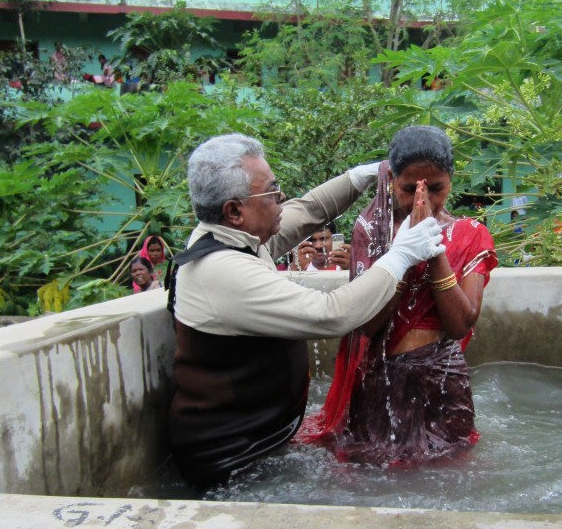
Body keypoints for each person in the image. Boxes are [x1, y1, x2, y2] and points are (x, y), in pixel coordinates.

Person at [168, 133, 446, 487]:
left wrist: (359, 176)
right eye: (272, 191)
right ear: (234, 211)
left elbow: (308, 211)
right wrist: (401, 255)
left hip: (261, 438)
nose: (281, 198)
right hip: (231, 457)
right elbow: (331, 314)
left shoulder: (233, 238)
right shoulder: (221, 270)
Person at [296, 125, 498, 466]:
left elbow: (460, 324)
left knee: (449, 471)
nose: (424, 201)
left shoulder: (470, 234)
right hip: (380, 379)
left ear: (451, 181)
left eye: (436, 189)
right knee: (368, 472)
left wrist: (433, 251)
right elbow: (369, 325)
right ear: (391, 182)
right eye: (409, 189)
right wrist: (402, 256)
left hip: (442, 382)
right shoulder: (371, 233)